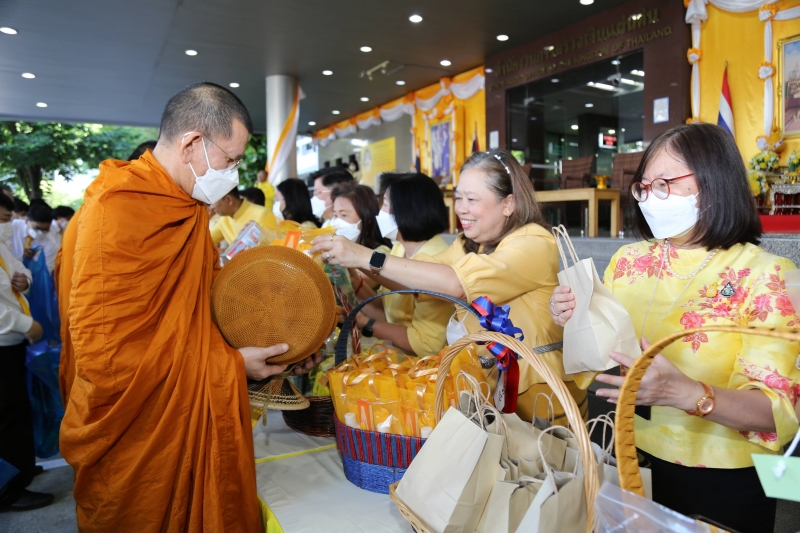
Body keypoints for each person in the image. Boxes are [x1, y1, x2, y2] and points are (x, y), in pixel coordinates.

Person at [59, 82, 320, 532]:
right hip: (138, 434)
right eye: (231, 159)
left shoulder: (186, 205)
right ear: (192, 143)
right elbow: (110, 361)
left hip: (185, 408)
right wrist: (231, 366)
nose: (235, 174)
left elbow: (195, 309)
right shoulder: (116, 211)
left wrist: (272, 328)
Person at [550, 123, 800, 533]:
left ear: (714, 182)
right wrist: (571, 313)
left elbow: (781, 412)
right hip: (630, 454)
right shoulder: (630, 260)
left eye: (665, 184)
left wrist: (689, 394)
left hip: (722, 474)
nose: (651, 198)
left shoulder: (767, 274)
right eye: (643, 187)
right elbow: (603, 344)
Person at [312, 149, 589, 423]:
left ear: (508, 203)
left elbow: (455, 283)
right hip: (489, 386)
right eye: (458, 198)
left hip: (540, 393)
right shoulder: (471, 242)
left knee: (542, 462)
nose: (461, 208)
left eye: (471, 199)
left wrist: (364, 256)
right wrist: (352, 259)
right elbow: (417, 279)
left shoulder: (534, 242)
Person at [353, 173, 452, 356]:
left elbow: (427, 345)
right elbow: (388, 311)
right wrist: (353, 280)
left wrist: (364, 324)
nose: (380, 212)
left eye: (386, 204)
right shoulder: (399, 248)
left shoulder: (436, 260)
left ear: (406, 210)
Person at [0, 192, 49, 513]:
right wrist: (24, 324)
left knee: (17, 410)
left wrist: (24, 278)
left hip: (12, 340)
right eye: (4, 220)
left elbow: (19, 268)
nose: (8, 227)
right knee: (5, 416)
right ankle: (8, 491)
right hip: (6, 335)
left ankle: (22, 468)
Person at [330, 183, 390, 253]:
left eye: (344, 215)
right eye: (335, 215)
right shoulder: (337, 250)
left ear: (367, 217)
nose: (337, 222)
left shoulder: (380, 254)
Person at [210, 186, 277, 247]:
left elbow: (273, 250)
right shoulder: (224, 219)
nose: (211, 207)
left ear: (228, 200)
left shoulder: (263, 214)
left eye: (213, 202)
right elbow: (205, 239)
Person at [24, 202, 61, 274]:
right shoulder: (13, 228)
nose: (40, 233)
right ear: (27, 221)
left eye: (45, 230)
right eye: (37, 228)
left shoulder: (51, 243)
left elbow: (46, 271)